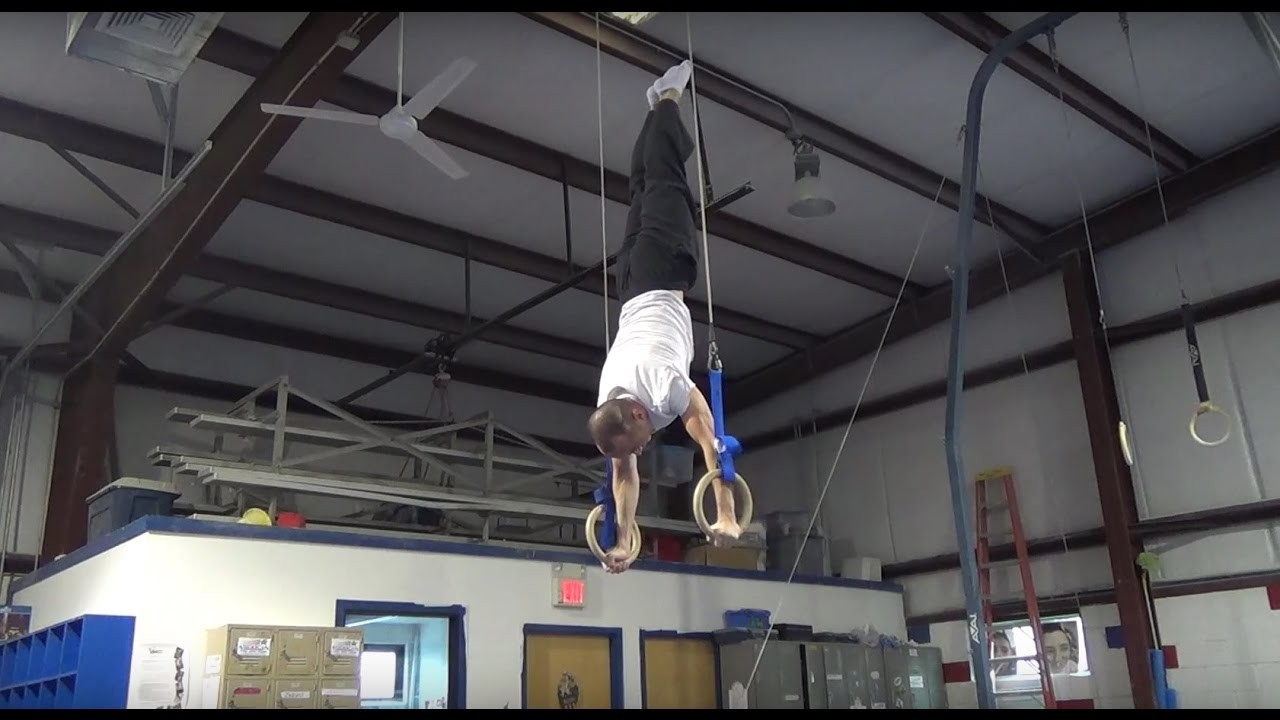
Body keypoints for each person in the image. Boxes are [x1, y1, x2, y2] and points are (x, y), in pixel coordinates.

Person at [588, 60, 740, 574]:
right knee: (641, 190)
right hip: (629, 284)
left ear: (637, 415)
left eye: (638, 442)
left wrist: (726, 513)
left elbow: (713, 440)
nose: (642, 449)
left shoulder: (660, 389)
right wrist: (622, 540)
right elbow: (623, 476)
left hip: (659, 272)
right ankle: (656, 110)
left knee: (667, 183)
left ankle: (671, 98)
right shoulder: (611, 404)